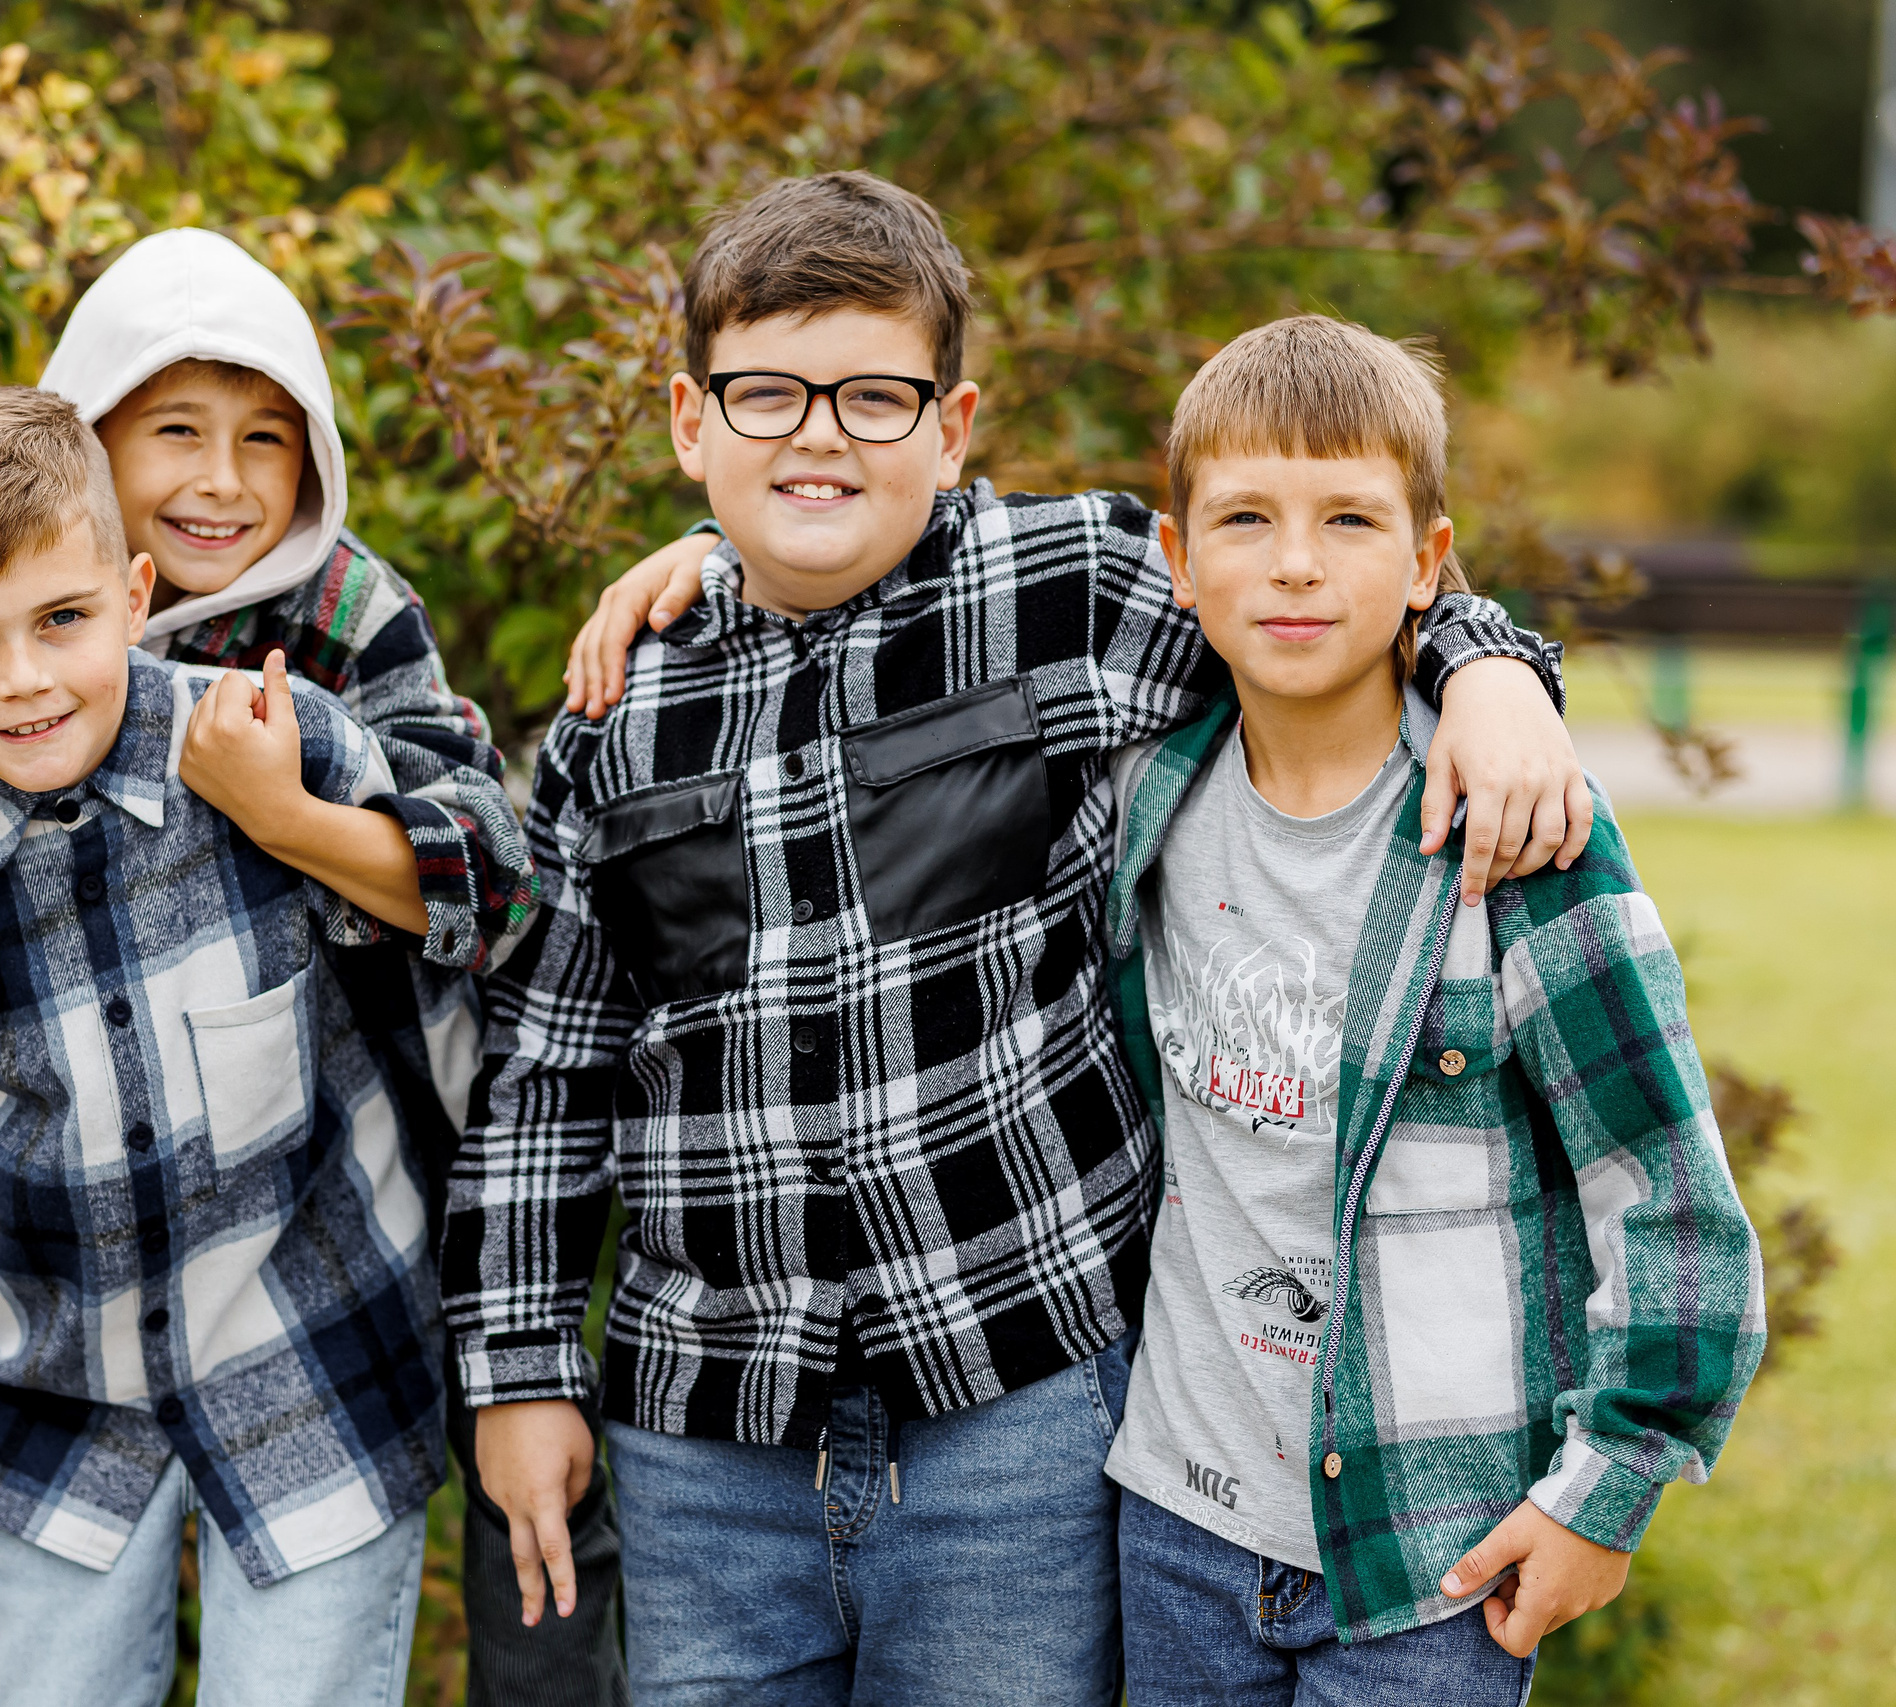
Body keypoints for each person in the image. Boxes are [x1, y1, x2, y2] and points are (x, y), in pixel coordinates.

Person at [451, 169, 1591, 1707]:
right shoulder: (617, 716)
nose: (818, 432)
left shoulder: (1080, 595)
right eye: (767, 392)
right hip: (701, 1436)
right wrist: (520, 1371)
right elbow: (545, 1071)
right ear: (687, 420)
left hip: (1015, 1410)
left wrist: (1489, 668)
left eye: (875, 395)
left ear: (954, 423)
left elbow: (1312, 591)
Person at [0, 231, 629, 1706]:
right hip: (9, 1151)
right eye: (175, 432)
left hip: (315, 1136)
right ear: (92, 443)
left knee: (511, 1467)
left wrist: (289, 817)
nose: (222, 479)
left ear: (125, 595)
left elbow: (492, 872)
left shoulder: (333, 628)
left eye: (267, 439)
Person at [1092, 314, 1763, 1703]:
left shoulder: (1523, 839)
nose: (1292, 563)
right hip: (1173, 1520)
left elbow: (1670, 1197)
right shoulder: (1143, 792)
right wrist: (715, 558)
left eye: (1349, 518)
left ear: (1427, 562)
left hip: (1430, 1558)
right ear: (1176, 557)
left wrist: (1608, 1489)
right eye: (1245, 518)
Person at [0, 385, 445, 1706]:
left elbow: (473, 898)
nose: (20, 680)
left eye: (61, 621)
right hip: (50, 1404)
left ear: (135, 595)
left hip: (316, 1360)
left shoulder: (261, 752)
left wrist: (304, 820)